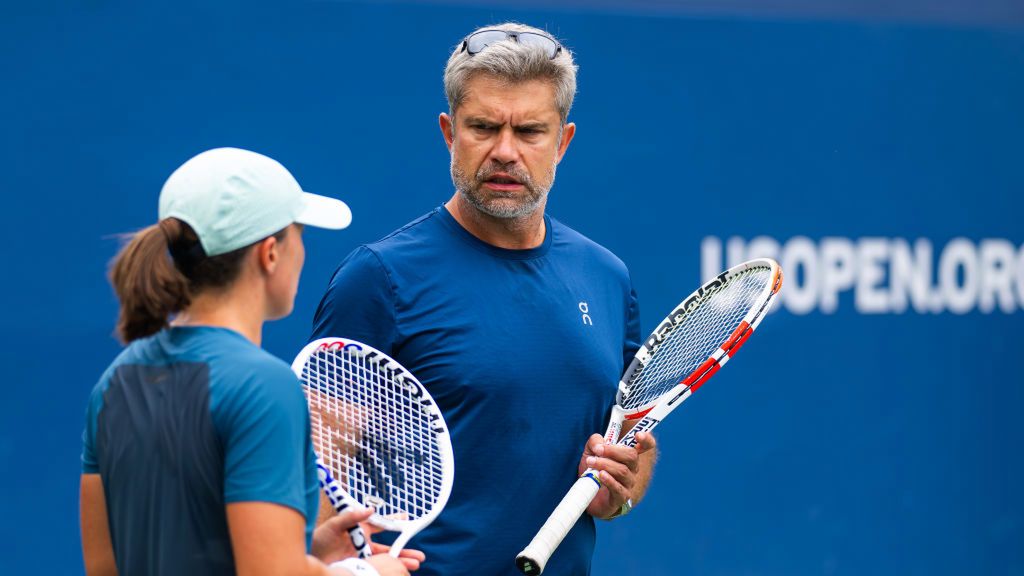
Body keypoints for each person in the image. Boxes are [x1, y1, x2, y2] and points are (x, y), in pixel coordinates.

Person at [311, 23, 657, 575]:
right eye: (483, 127)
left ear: (563, 141)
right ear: (449, 132)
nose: (504, 151)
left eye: (529, 132)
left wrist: (621, 486)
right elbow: (319, 475)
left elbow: (630, 449)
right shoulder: (376, 279)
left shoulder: (606, 276)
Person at [80, 147, 424, 576]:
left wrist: (308, 553)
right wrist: (368, 573)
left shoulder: (117, 381)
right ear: (270, 253)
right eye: (299, 233)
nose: (303, 250)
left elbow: (109, 567)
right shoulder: (264, 387)